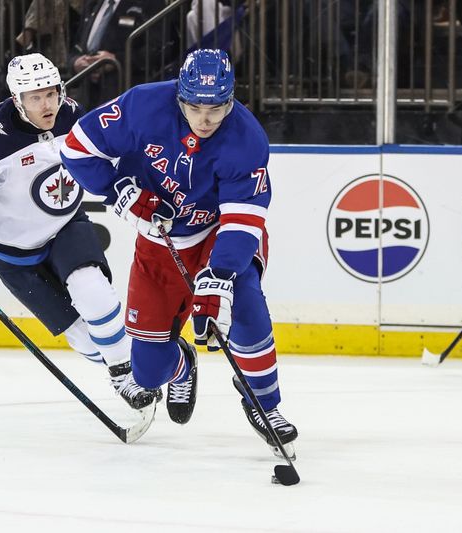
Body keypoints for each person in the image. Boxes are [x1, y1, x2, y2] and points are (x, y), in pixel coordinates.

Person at [61, 49, 298, 455]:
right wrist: (119, 188)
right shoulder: (143, 104)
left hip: (217, 236)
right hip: (159, 242)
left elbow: (242, 221)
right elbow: (76, 148)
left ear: (231, 100)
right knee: (148, 373)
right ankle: (181, 364)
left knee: (245, 304)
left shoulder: (247, 137)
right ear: (179, 97)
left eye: (216, 108)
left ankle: (266, 406)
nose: (205, 119)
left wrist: (219, 276)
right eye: (195, 107)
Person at [0, 53, 159, 411]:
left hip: (66, 225)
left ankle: (126, 375)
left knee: (93, 291)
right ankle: (145, 363)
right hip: (11, 253)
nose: (47, 104)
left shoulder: (72, 113)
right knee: (82, 338)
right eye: (35, 97)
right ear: (16, 99)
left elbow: (111, 156)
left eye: (51, 93)